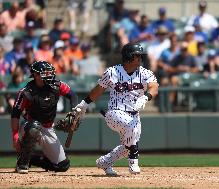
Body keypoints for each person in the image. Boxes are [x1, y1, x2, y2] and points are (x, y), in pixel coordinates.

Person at [74, 43, 159, 175]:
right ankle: (133, 161)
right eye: (138, 56)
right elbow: (98, 91)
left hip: (134, 115)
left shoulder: (145, 72)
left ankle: (104, 162)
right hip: (115, 113)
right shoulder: (112, 72)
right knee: (132, 130)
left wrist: (146, 97)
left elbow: (154, 87)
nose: (140, 59)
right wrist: (84, 103)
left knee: (127, 146)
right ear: (129, 56)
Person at [11, 61, 78, 174]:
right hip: (29, 125)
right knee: (34, 128)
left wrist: (74, 112)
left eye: (49, 72)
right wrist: (15, 135)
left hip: (48, 127)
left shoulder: (56, 85)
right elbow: (15, 113)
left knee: (62, 166)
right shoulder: (26, 92)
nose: (49, 75)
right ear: (36, 75)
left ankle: (31, 159)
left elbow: (73, 95)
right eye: (45, 73)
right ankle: (22, 162)